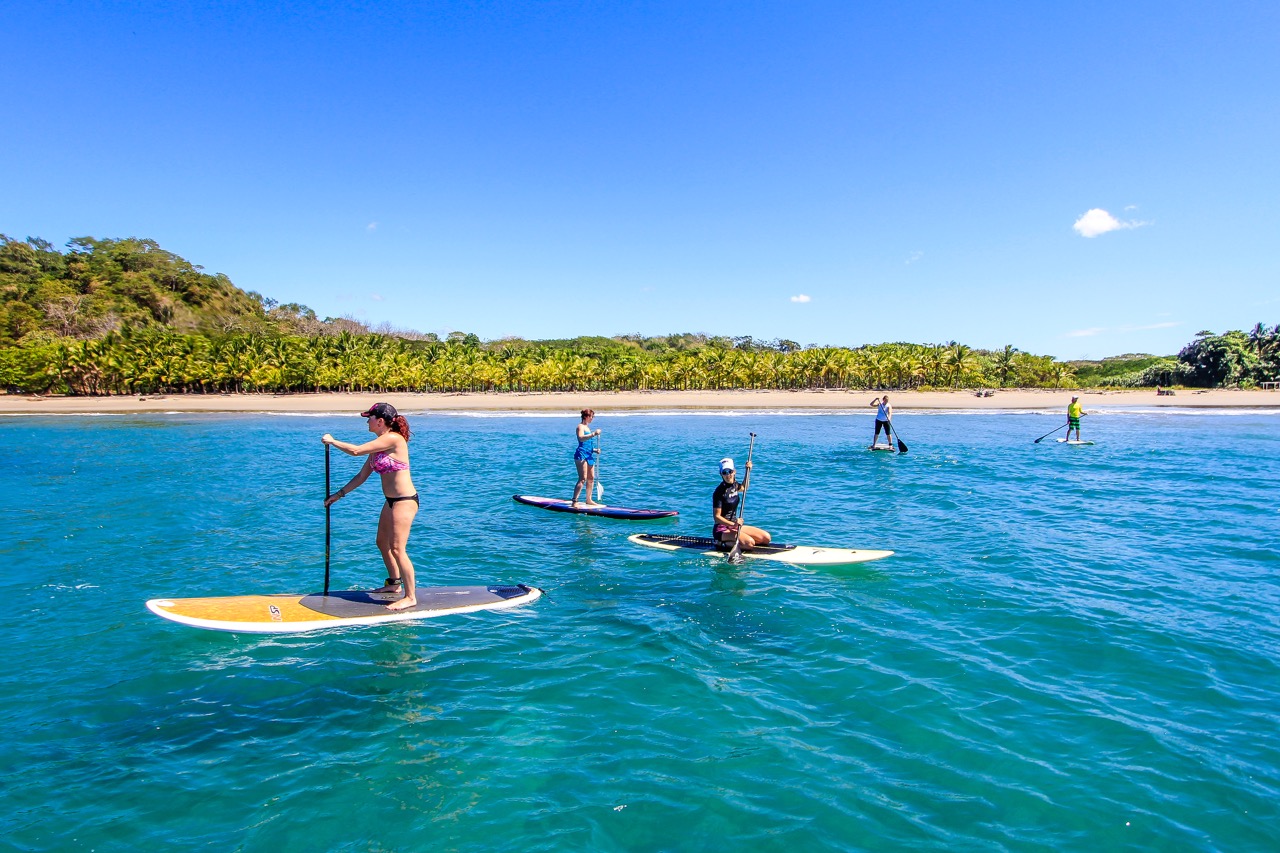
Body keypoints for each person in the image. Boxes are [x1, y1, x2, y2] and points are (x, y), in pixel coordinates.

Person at [322, 402, 420, 611]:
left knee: (397, 548)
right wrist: (338, 495)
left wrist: (332, 441)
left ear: (380, 421)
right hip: (390, 501)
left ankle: (410, 596)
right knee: (381, 543)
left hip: (405, 501)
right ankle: (394, 584)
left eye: (370, 418)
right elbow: (361, 476)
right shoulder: (378, 446)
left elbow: (356, 450)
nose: (367, 421)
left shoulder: (394, 439)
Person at [712, 456, 771, 552]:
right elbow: (717, 517)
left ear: (734, 471)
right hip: (721, 530)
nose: (728, 475)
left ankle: (738, 540)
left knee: (766, 538)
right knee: (750, 543)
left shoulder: (735, 485)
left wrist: (748, 471)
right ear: (721, 474)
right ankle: (720, 543)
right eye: (724, 472)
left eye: (730, 471)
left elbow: (744, 487)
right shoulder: (719, 492)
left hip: (735, 525)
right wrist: (733, 523)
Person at [572, 409, 603, 507]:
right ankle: (574, 501)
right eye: (591, 416)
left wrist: (594, 450)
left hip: (589, 455)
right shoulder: (580, 427)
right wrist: (594, 434)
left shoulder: (587, 428)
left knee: (591, 478)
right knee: (582, 478)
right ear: (586, 416)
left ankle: (588, 499)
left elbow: (586, 444)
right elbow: (581, 438)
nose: (592, 418)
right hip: (581, 455)